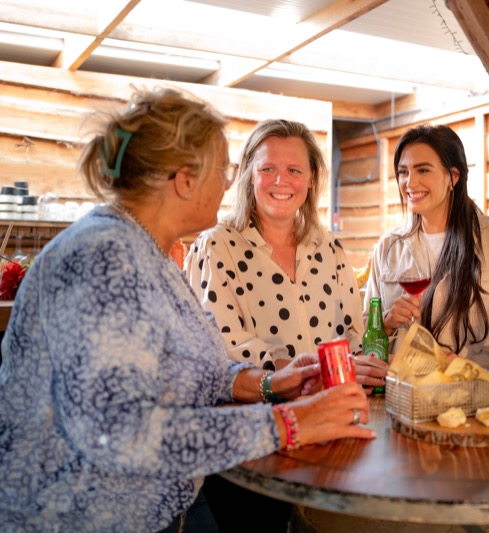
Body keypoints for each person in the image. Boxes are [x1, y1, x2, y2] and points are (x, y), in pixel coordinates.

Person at [0, 88, 374, 533]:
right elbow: (120, 432)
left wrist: (274, 383)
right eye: (224, 169)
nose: (230, 182)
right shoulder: (102, 257)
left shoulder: (147, 252)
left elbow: (199, 370)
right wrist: (289, 423)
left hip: (167, 512)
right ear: (185, 180)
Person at [184, 118, 387, 530]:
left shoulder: (330, 247)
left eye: (295, 170)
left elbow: (352, 330)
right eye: (268, 169)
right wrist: (303, 371)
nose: (282, 180)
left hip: (329, 431)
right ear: (248, 176)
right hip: (253, 441)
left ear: (311, 179)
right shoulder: (216, 244)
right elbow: (220, 348)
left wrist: (359, 361)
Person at [363, 123, 489, 373]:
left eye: (423, 170)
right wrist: (386, 324)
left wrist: (467, 364)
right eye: (403, 172)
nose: (410, 182)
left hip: (478, 401)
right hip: (405, 400)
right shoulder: (388, 248)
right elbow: (364, 337)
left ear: (453, 176)